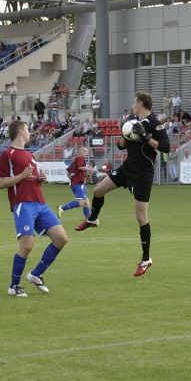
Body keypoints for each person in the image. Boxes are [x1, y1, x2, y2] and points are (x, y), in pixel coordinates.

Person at [75, 91, 171, 277]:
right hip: (127, 168)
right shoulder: (131, 120)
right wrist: (126, 134)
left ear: (142, 103)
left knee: (141, 215)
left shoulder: (154, 124)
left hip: (143, 173)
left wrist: (146, 138)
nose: (132, 104)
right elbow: (120, 145)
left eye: (135, 102)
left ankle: (146, 259)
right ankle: (93, 219)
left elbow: (166, 148)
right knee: (98, 190)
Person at [0, 120, 70, 297]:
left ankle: (36, 274)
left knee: (61, 238)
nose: (30, 132)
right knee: (27, 245)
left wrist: (39, 180)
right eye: (28, 129)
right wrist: (22, 176)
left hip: (40, 203)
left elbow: (30, 180)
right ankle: (14, 285)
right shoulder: (8, 154)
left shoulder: (30, 155)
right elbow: (0, 183)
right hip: (23, 204)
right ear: (21, 131)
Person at [58, 146, 93, 222]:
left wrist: (72, 180)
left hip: (76, 184)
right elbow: (80, 167)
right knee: (81, 202)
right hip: (78, 184)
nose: (87, 153)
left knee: (86, 201)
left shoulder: (74, 162)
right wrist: (89, 169)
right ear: (80, 152)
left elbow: (68, 172)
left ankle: (89, 219)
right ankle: (62, 208)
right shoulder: (80, 158)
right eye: (85, 151)